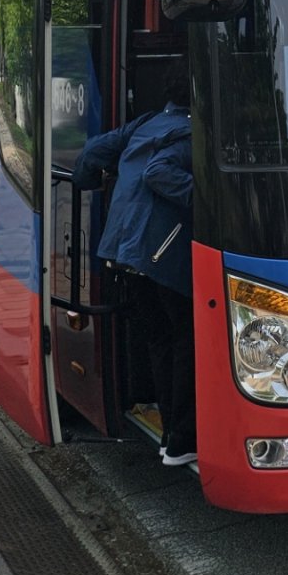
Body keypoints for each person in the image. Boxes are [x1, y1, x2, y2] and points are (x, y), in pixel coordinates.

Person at [72, 63, 197, 466]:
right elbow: (159, 173)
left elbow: (92, 152)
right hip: (161, 255)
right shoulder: (192, 134)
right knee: (186, 342)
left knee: (160, 341)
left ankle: (168, 434)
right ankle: (182, 440)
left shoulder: (146, 123)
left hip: (122, 252)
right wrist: (206, 198)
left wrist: (88, 181)